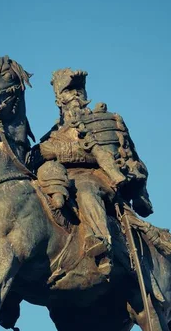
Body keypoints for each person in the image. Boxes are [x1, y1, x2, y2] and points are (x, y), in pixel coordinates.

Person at [29, 68, 153, 274]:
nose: (76, 95)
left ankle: (101, 244)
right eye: (69, 91)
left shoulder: (106, 122)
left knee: (86, 190)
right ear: (59, 100)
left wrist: (139, 190)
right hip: (63, 181)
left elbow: (125, 158)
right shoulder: (51, 136)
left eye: (79, 90)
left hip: (100, 180)